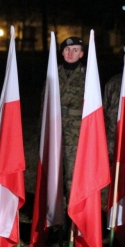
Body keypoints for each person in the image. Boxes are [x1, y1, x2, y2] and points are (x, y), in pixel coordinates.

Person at [57, 36, 86, 195]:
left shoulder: (88, 75)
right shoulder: (54, 72)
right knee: (55, 172)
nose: (70, 53)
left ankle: (71, 208)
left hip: (76, 131)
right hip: (55, 128)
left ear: (81, 54)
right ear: (62, 52)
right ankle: (55, 208)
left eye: (75, 50)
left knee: (72, 174)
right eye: (67, 49)